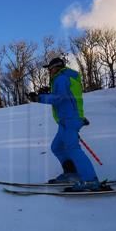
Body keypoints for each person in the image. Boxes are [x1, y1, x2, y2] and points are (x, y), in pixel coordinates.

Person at [27, 57, 101, 192]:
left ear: (56, 67)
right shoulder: (64, 78)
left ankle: (90, 180)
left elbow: (60, 98)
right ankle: (71, 174)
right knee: (57, 147)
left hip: (69, 118)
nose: (49, 71)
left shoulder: (61, 78)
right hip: (65, 120)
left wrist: (39, 98)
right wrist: (48, 92)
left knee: (73, 148)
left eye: (49, 69)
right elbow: (63, 95)